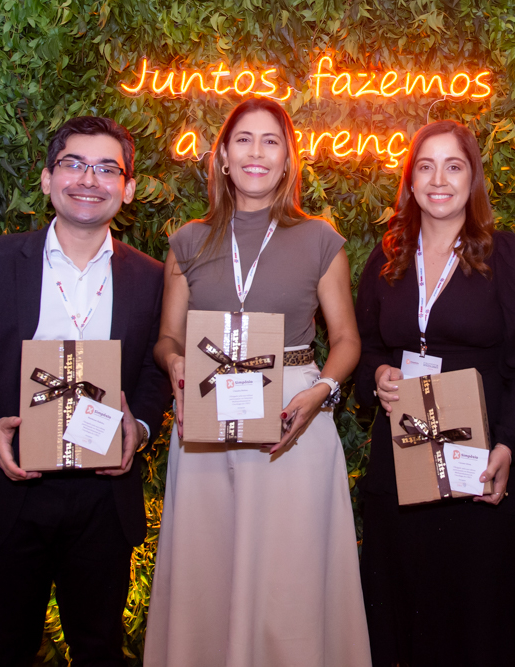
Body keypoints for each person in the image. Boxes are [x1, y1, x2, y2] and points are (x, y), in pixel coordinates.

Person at [0, 116, 170, 666]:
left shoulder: (154, 278)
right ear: (46, 178)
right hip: (9, 490)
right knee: (1, 650)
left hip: (103, 495)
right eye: (73, 164)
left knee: (100, 650)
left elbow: (155, 371)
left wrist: (140, 427)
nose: (88, 179)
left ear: (128, 188)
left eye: (106, 168)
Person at [143, 97, 371, 667]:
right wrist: (175, 363)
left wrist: (320, 393)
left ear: (288, 158)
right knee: (208, 571)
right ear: (222, 156)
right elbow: (167, 337)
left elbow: (346, 340)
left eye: (271, 141)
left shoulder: (320, 238)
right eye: (243, 139)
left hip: (295, 418)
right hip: (206, 418)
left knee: (290, 577)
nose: (256, 152)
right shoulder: (187, 241)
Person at [354, 119, 515, 666]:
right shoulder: (387, 258)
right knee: (404, 615)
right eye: (426, 166)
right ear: (410, 181)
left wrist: (510, 447)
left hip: (480, 465)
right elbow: (366, 347)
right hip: (402, 463)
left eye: (453, 166)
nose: (439, 180)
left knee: (479, 619)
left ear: (473, 179)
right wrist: (378, 374)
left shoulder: (507, 256)